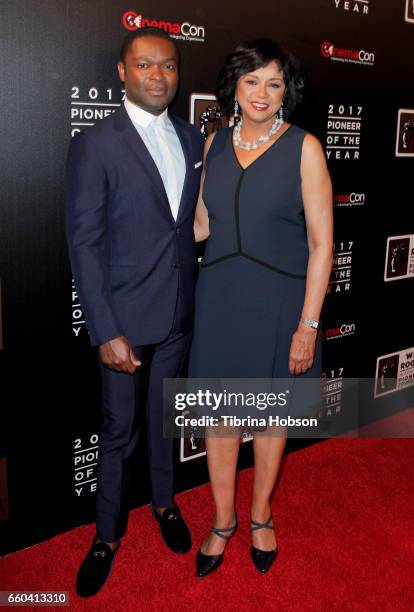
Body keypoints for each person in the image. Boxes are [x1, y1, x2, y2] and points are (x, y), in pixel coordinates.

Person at [65, 27, 203, 597]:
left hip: (177, 311)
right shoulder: (96, 142)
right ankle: (105, 535)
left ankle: (166, 504)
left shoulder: (193, 138)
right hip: (123, 319)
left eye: (167, 66)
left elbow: (188, 226)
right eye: (144, 65)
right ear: (122, 72)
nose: (157, 75)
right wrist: (106, 328)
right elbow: (84, 242)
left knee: (164, 418)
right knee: (119, 430)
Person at [189, 38, 333, 577]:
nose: (262, 93)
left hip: (279, 302)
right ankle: (223, 520)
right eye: (252, 81)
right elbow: (202, 224)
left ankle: (261, 514)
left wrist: (308, 326)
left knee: (272, 417)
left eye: (274, 83)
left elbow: (323, 246)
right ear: (235, 87)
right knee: (219, 417)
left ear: (285, 92)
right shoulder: (214, 144)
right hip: (219, 299)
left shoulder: (305, 147)